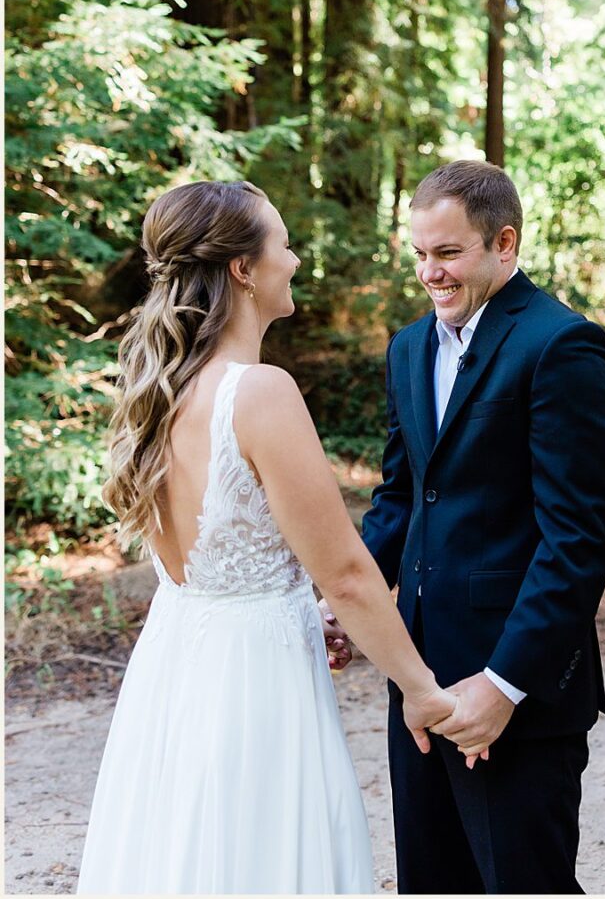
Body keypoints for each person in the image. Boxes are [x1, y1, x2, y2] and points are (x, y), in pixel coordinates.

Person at [78, 180, 459, 894]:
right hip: (255, 681)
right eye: (283, 243)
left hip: (176, 665)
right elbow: (346, 571)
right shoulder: (258, 392)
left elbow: (220, 568)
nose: (296, 259)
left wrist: (304, 611)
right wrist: (422, 691)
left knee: (189, 850)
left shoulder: (160, 390)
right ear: (243, 269)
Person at [325, 160, 605, 894]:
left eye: (448, 253)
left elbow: (577, 541)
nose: (431, 272)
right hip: (417, 675)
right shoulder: (407, 348)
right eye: (420, 254)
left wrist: (504, 685)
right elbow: (401, 496)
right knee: (431, 883)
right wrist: (350, 606)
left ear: (504, 245)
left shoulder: (560, 345)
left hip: (513, 687)